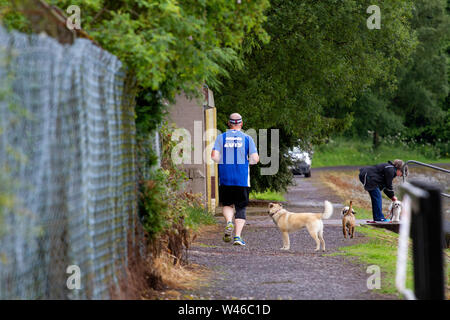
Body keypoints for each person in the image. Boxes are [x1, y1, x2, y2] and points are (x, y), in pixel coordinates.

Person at [211, 113, 259, 246]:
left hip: (225, 177)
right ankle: (237, 237)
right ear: (241, 124)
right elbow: (255, 159)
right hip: (242, 178)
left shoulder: (221, 138)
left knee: (227, 204)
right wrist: (246, 162)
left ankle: (229, 222)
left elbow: (214, 156)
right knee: (241, 207)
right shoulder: (247, 138)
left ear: (229, 123)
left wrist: (223, 161)